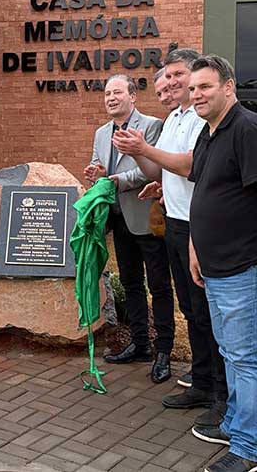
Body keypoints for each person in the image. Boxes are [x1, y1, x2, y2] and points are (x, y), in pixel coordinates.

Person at [185, 54, 257, 472]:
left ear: (228, 87)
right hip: (216, 268)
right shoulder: (207, 133)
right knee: (231, 353)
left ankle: (248, 449)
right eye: (193, 88)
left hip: (245, 270)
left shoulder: (249, 128)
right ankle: (233, 423)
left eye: (205, 87)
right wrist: (197, 249)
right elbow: (203, 195)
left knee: (246, 358)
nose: (196, 95)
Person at [113, 48, 228, 426]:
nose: (173, 86)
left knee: (206, 311)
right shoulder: (175, 119)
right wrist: (148, 169)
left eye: (179, 76)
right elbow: (160, 168)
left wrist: (144, 149)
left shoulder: (200, 119)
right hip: (176, 222)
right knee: (192, 309)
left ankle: (218, 390)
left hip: (200, 225)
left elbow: (193, 165)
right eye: (167, 81)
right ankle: (201, 378)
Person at [84, 74, 173, 380]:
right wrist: (97, 173)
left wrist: (117, 180)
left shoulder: (151, 126)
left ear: (133, 96)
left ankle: (164, 351)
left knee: (159, 285)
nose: (110, 98)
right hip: (119, 219)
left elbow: (153, 170)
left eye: (117, 92)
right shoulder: (100, 133)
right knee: (131, 284)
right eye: (107, 93)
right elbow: (101, 169)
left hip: (148, 218)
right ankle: (140, 343)